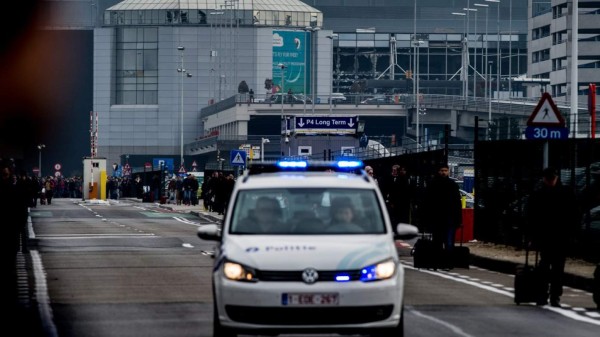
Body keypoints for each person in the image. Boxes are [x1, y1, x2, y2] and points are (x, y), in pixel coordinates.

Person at [526, 167, 579, 307]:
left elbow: (531, 216)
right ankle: (549, 295)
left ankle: (550, 295)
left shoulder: (540, 194)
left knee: (551, 268)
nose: (550, 181)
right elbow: (574, 216)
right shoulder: (566, 193)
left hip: (553, 237)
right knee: (552, 268)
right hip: (554, 237)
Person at [423, 164, 463, 268]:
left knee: (447, 243)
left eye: (445, 170)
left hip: (448, 219)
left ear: (448, 171)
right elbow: (427, 203)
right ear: (438, 171)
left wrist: (458, 219)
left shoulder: (451, 184)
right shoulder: (435, 184)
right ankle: (442, 262)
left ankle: (446, 263)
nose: (444, 172)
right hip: (439, 219)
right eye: (442, 170)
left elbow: (457, 204)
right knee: (439, 242)